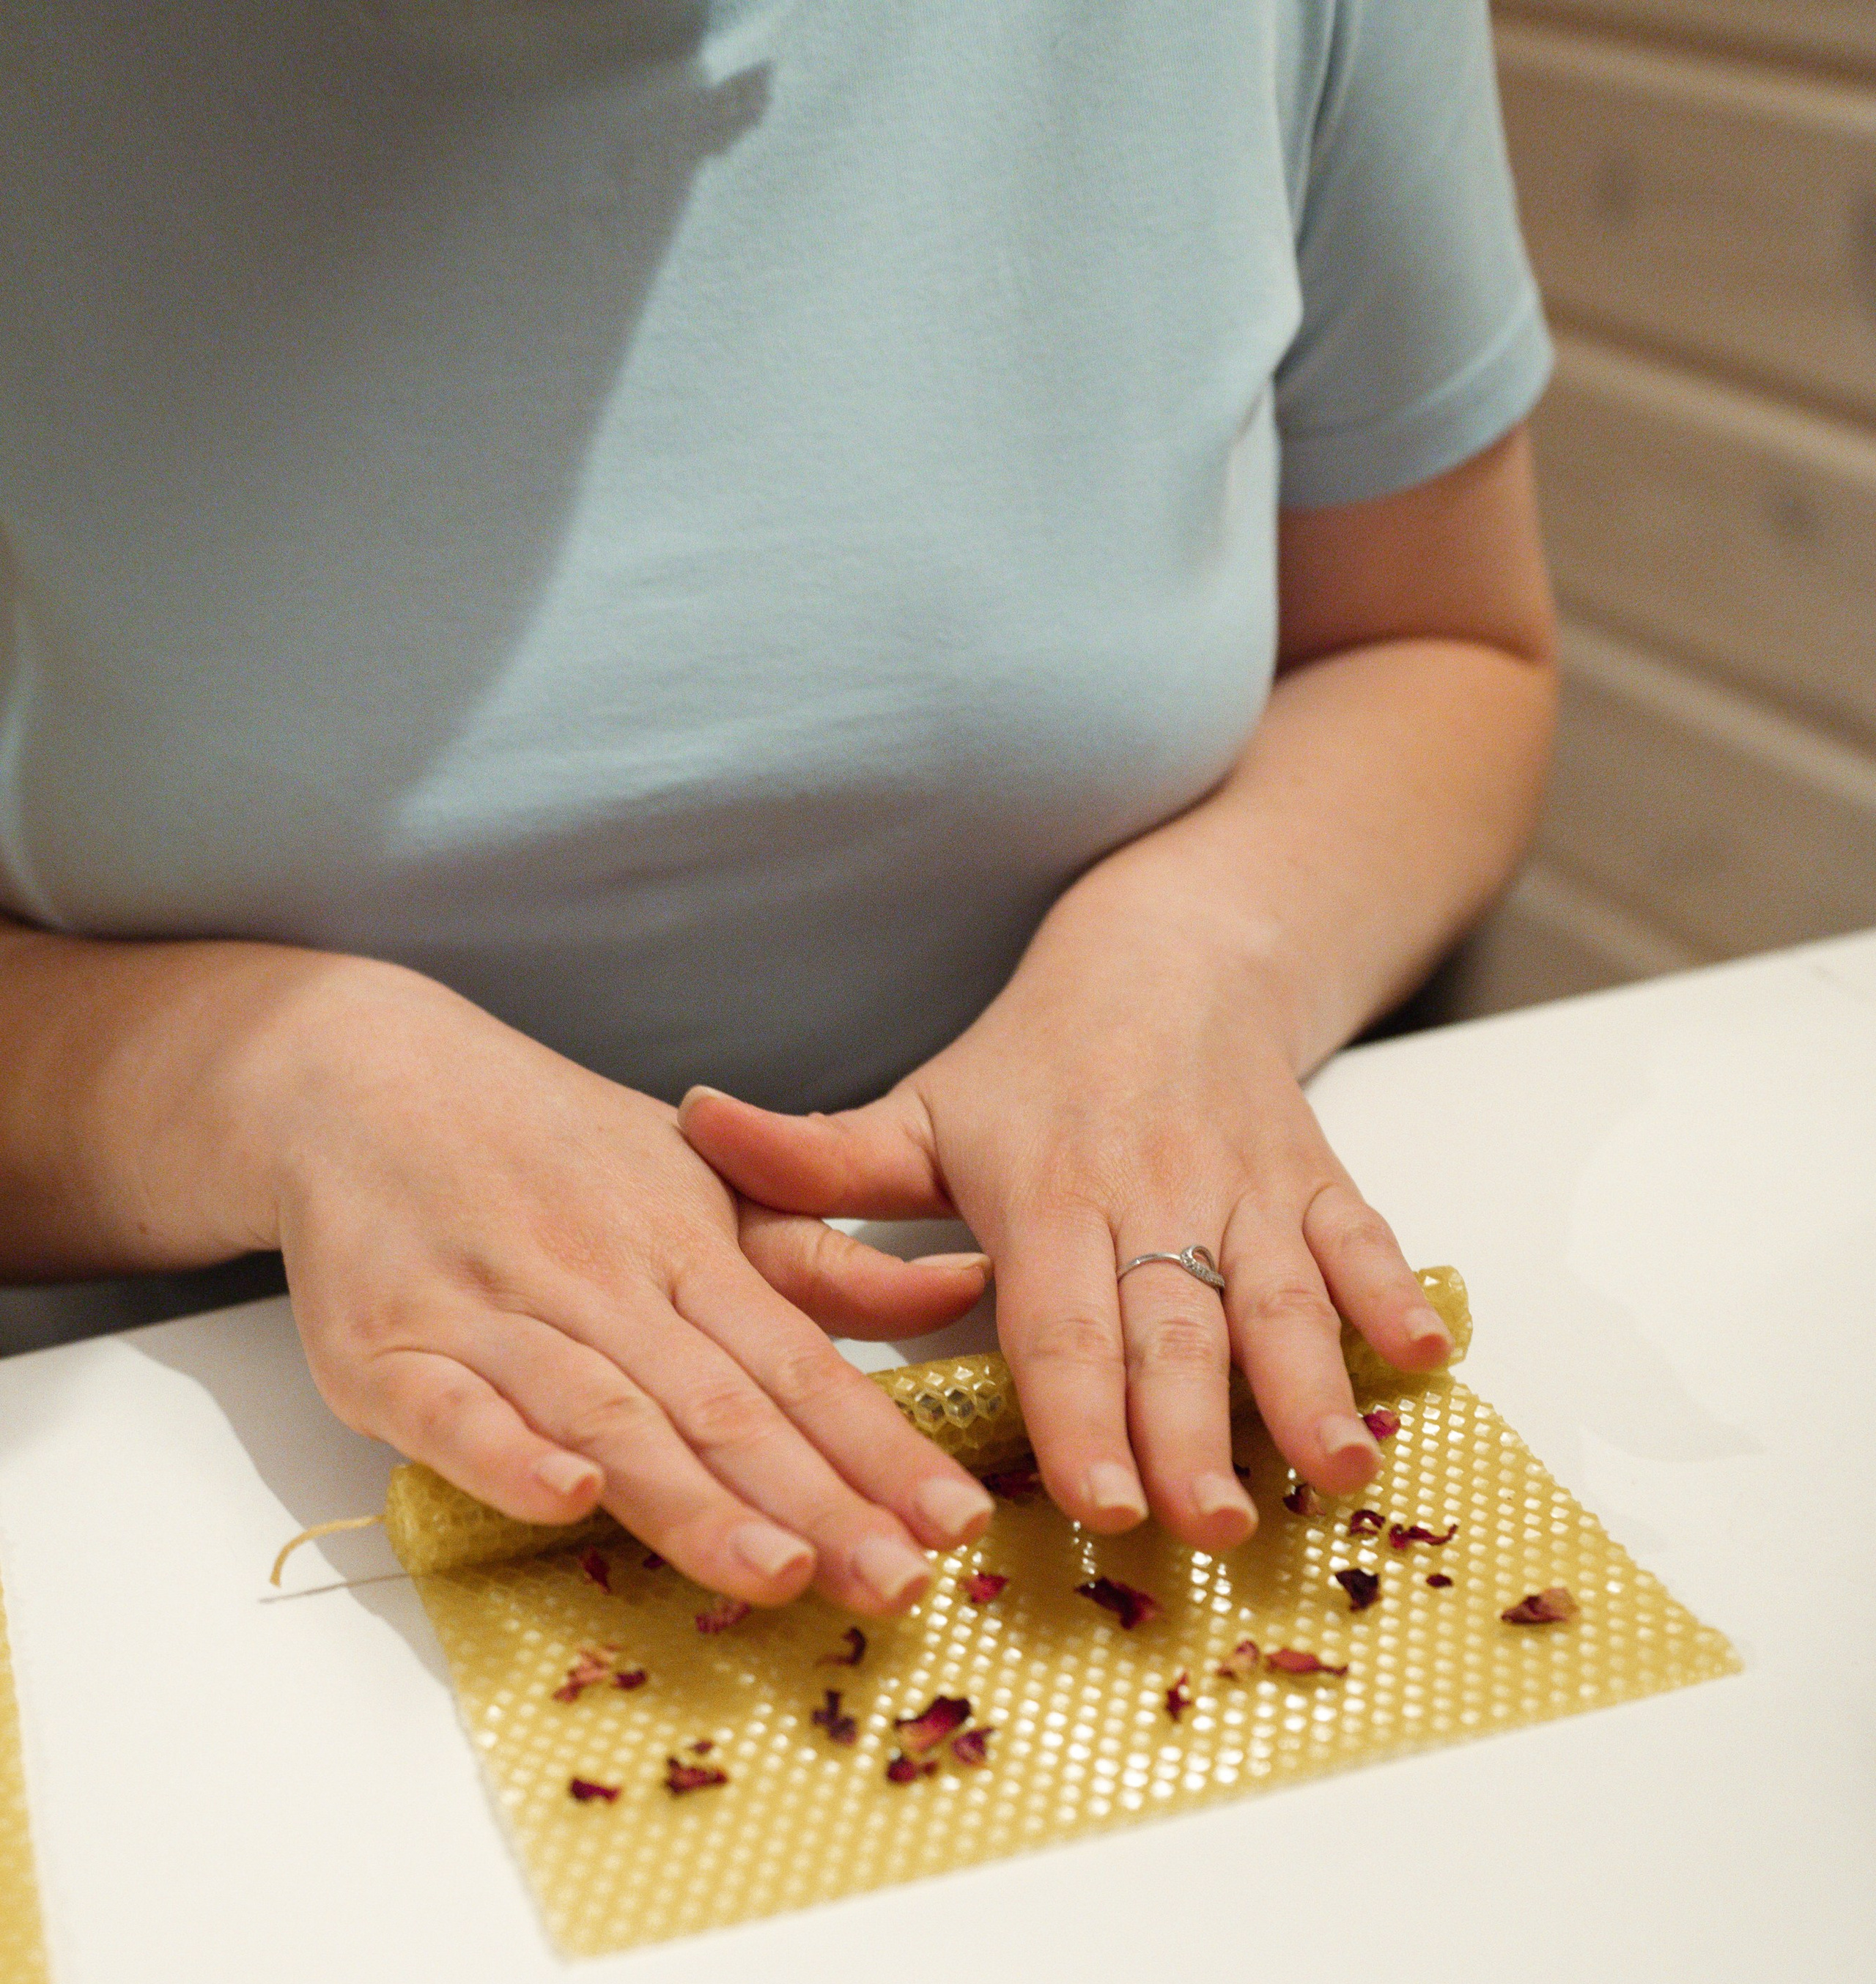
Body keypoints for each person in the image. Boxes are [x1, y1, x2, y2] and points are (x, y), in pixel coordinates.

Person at [0, 0, 1557, 1618]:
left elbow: (1438, 643)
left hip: (1125, 1312)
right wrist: (270, 1084)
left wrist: (1191, 960)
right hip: (204, 1442)